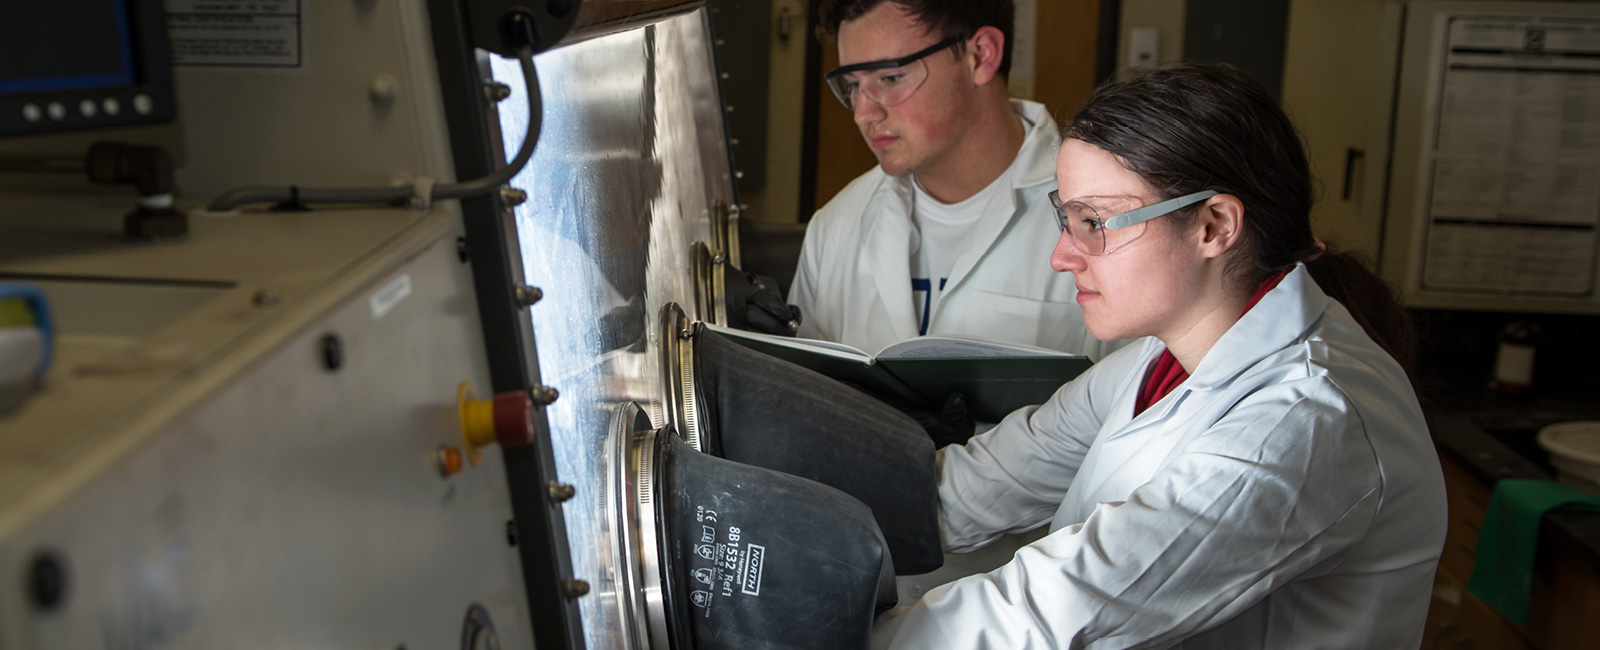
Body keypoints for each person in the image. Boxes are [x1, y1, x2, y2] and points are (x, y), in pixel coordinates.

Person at [870, 63, 1449, 649]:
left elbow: (1062, 605)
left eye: (1094, 222)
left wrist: (832, 626)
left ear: (1213, 226)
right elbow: (980, 485)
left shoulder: (1305, 420)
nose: (1063, 256)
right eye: (1065, 218)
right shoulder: (1155, 361)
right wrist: (804, 530)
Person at [789, 0, 1114, 360]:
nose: (864, 114)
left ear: (981, 56)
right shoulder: (835, 225)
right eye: (852, 85)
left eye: (891, 78)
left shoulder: (1105, 218)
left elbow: (1139, 400)